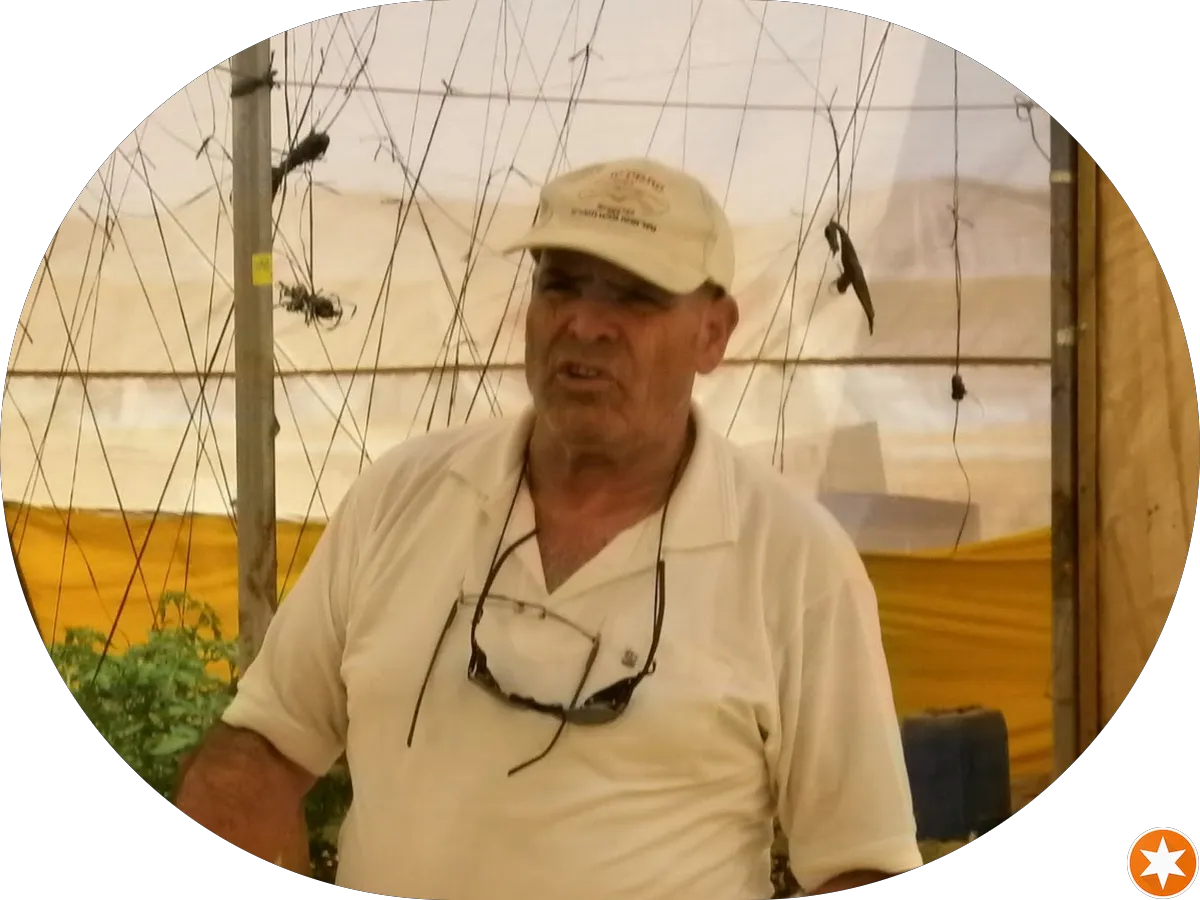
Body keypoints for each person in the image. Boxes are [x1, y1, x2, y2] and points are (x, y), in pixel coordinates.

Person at [173, 156, 923, 899]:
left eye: (636, 295)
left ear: (713, 333)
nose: (585, 324)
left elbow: (860, 859)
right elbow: (260, 750)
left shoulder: (793, 559)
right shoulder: (401, 497)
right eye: (559, 284)